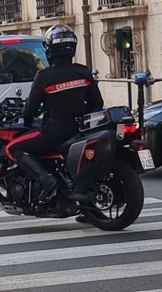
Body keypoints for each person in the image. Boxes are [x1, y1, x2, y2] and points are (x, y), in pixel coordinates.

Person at [6, 24, 103, 201]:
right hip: (80, 129)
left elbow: (30, 110)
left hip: (55, 131)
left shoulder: (44, 76)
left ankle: (46, 179)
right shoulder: (83, 72)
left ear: (49, 48)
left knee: (12, 148)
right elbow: (97, 103)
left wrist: (27, 121)